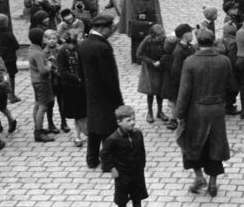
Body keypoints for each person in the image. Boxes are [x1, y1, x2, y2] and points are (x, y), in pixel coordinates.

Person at [176, 29, 233, 198]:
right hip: (216, 110)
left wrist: (179, 113)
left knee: (192, 143)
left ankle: (199, 177)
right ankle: (213, 182)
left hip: (196, 111)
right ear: (214, 41)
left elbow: (184, 91)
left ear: (197, 42)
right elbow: (231, 86)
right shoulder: (224, 60)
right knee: (215, 144)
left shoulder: (190, 62)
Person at [79, 14, 125, 170]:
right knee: (108, 128)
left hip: (91, 91)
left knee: (94, 127)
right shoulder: (103, 47)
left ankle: (91, 159)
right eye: (109, 28)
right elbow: (109, 76)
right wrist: (118, 99)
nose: (111, 31)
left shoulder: (84, 44)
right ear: (101, 28)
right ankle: (107, 162)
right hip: (106, 94)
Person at [100, 105, 148, 207]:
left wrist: (142, 165)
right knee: (122, 201)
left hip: (137, 173)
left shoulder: (138, 134)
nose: (132, 122)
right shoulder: (113, 139)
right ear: (119, 122)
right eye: (128, 120)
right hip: (122, 176)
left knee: (137, 198)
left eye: (133, 119)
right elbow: (104, 154)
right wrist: (112, 168)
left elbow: (142, 151)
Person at [57, 30, 87, 147]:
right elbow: (62, 70)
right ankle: (78, 135)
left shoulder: (80, 49)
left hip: (82, 87)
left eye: (74, 43)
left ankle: (81, 133)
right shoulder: (62, 52)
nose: (72, 46)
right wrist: (76, 78)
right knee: (77, 113)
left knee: (83, 112)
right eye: (70, 43)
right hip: (69, 87)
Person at [163, 24, 195, 131]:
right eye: (190, 32)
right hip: (182, 82)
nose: (192, 34)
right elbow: (176, 72)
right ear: (185, 35)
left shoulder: (189, 46)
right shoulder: (179, 51)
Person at [28, 28, 55, 143]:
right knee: (43, 106)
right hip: (42, 82)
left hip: (35, 81)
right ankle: (38, 132)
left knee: (37, 104)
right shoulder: (38, 53)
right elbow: (43, 70)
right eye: (44, 37)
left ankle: (37, 127)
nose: (45, 39)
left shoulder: (32, 49)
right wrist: (50, 63)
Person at [136, 24, 166, 124]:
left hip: (160, 67)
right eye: (159, 37)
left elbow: (166, 51)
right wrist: (152, 62)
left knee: (160, 89)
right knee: (151, 90)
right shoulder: (147, 41)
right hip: (150, 68)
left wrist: (162, 60)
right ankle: (150, 112)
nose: (161, 38)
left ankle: (160, 111)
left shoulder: (163, 39)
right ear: (153, 36)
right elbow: (139, 54)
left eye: (162, 36)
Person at [0, 13, 19, 103]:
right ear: (6, 23)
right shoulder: (9, 34)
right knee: (11, 76)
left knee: (0, 76)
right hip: (10, 59)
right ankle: (12, 95)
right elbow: (16, 46)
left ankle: (3, 95)